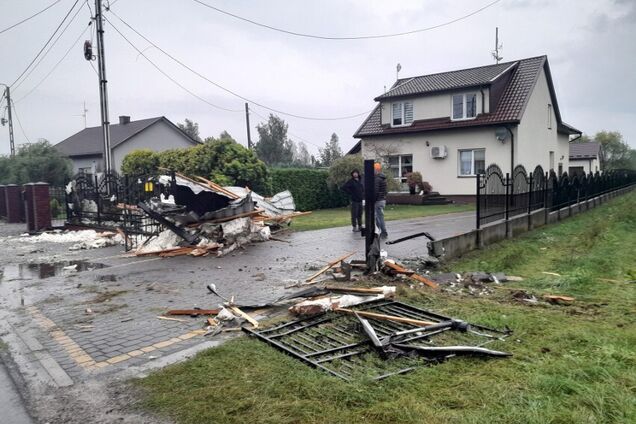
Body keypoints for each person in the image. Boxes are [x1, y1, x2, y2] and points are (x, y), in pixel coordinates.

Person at [374, 162, 388, 238]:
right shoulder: (383, 179)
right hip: (382, 200)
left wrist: (374, 200)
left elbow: (376, 191)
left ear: (376, 170)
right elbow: (385, 191)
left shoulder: (377, 179)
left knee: (379, 217)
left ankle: (383, 232)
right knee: (378, 216)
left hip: (378, 201)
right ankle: (379, 231)